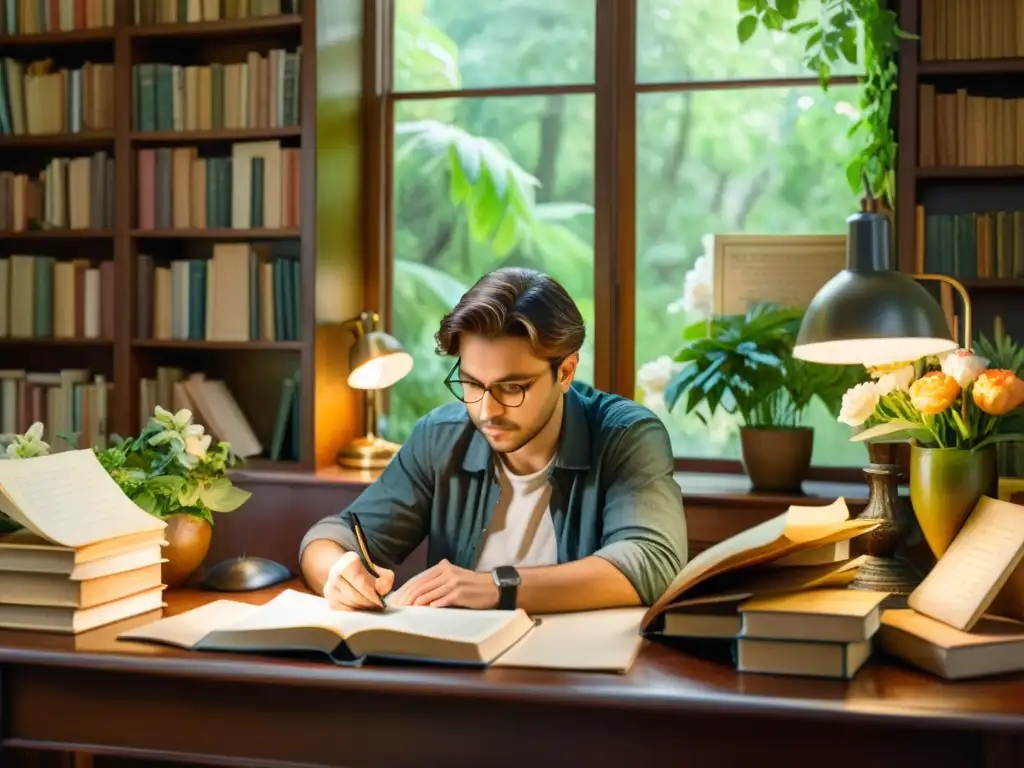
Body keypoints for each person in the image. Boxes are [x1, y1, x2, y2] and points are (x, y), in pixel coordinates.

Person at [299, 266, 687, 613]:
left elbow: (650, 560)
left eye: (512, 387)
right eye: (470, 383)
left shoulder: (626, 435)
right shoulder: (440, 436)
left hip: (581, 680)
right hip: (463, 676)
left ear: (566, 372)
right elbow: (332, 536)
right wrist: (337, 571)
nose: (487, 411)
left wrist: (497, 586)